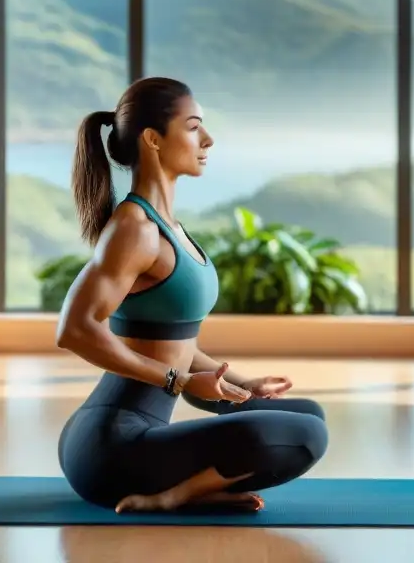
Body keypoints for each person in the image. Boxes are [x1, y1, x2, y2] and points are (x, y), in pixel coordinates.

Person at [55, 76, 329, 514]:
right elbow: (74, 330)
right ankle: (173, 496)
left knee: (308, 416)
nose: (208, 139)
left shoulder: (170, 229)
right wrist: (178, 382)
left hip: (131, 437)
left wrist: (240, 383)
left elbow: (176, 350)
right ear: (153, 139)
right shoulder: (134, 229)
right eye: (193, 126)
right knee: (309, 437)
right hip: (111, 447)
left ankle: (192, 490)